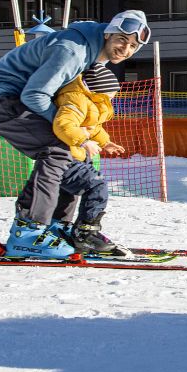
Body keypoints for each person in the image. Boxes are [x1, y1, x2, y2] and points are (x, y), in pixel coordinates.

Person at [0, 10, 151, 259]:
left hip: (18, 98)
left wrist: (90, 135)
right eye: (122, 39)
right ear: (109, 33)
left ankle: (58, 226)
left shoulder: (93, 50)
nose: (126, 49)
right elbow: (34, 95)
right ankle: (29, 231)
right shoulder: (73, 51)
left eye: (133, 45)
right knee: (57, 150)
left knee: (73, 154)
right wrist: (73, 130)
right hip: (1, 98)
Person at [50, 62, 128, 256]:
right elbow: (63, 125)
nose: (112, 99)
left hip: (77, 156)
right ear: (95, 90)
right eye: (109, 95)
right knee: (96, 184)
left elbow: (93, 127)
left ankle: (60, 228)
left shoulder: (89, 102)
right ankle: (86, 232)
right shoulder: (75, 100)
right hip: (66, 158)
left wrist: (105, 142)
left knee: (68, 195)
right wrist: (84, 141)